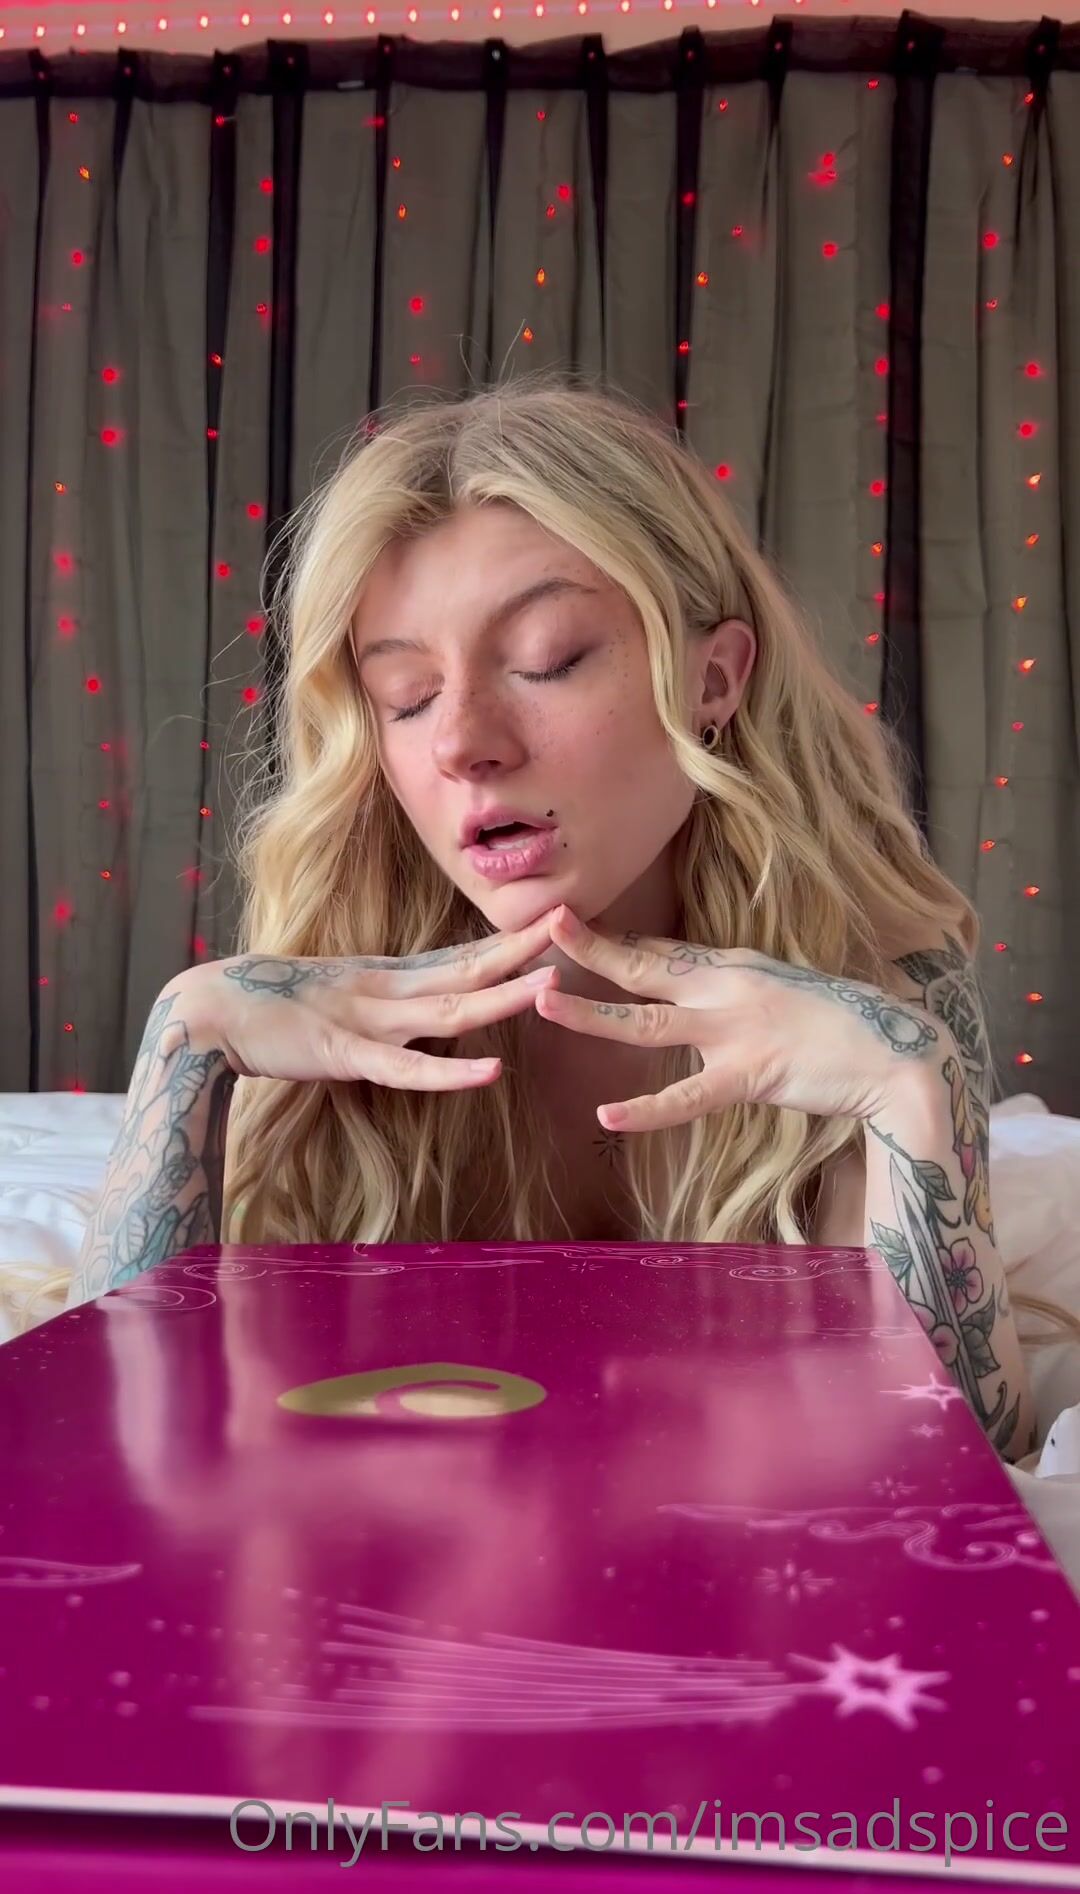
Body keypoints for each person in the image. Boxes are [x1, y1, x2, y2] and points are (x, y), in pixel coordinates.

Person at [61, 372, 1076, 1460]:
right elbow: (93, 1429)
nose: (463, 741)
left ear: (713, 681)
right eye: (406, 698)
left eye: (547, 660)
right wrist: (185, 1041)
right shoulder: (317, 1011)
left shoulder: (882, 984)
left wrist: (911, 1088)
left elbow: (959, 1463)